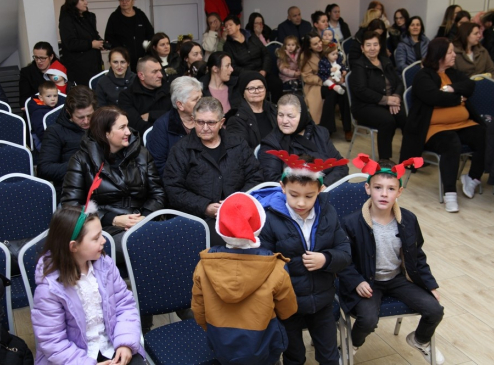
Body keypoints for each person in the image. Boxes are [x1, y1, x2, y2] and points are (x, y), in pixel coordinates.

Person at [338, 155, 445, 365]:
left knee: (435, 310)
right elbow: (343, 261)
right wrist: (356, 281)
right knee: (367, 320)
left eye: (390, 189)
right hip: (367, 282)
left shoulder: (409, 219)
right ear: (368, 189)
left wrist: (429, 285)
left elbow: (418, 255)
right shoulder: (350, 223)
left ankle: (419, 340)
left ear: (399, 192)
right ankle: (352, 344)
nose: (384, 194)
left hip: (397, 279)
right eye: (378, 188)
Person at [251, 150, 351, 365]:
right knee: (294, 356)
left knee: (329, 356)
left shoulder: (328, 212)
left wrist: (326, 259)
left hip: (322, 300)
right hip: (288, 304)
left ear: (320, 190)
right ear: (283, 187)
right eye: (294, 195)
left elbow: (345, 251)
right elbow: (263, 264)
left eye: (309, 196)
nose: (301, 203)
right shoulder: (269, 219)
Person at [191, 192, 298, 365]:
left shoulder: (203, 266)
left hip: (221, 345)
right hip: (265, 344)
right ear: (260, 225)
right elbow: (288, 310)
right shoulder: (276, 267)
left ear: (220, 228)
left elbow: (199, 310)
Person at [32, 205, 145, 365]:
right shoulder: (49, 287)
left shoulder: (105, 265)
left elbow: (124, 306)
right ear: (73, 246)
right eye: (96, 238)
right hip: (73, 358)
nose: (104, 240)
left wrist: (125, 343)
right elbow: (53, 342)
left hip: (111, 343)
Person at [163, 97, 263, 246]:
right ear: (193, 121)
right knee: (223, 242)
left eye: (210, 122)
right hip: (200, 219)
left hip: (240, 213)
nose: (204, 127)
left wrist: (236, 201)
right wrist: (205, 206)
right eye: (200, 122)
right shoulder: (181, 150)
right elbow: (173, 188)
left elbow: (256, 177)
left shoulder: (237, 144)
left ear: (221, 123)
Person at [400, 37, 486, 212]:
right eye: (450, 52)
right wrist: (458, 98)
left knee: (485, 133)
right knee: (450, 141)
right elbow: (433, 97)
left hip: (463, 123)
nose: (454, 55)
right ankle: (450, 193)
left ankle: (472, 178)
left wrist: (450, 89)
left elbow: (469, 86)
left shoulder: (453, 73)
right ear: (439, 56)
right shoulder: (423, 76)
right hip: (433, 129)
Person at [61, 105, 165, 249]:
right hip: (103, 227)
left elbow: (158, 193)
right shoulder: (81, 160)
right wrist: (113, 219)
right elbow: (71, 205)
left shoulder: (141, 154)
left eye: (127, 126)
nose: (128, 132)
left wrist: (144, 218)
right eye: (122, 128)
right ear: (105, 133)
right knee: (142, 244)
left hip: (142, 221)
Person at [259, 94, 348, 187]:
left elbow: (341, 166)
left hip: (328, 188)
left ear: (303, 116)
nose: (284, 121)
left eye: (290, 116)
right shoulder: (271, 143)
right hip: (295, 197)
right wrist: (311, 190)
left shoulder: (320, 133)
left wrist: (324, 185)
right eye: (280, 115)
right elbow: (272, 181)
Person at [349, 31, 406, 161]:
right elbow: (361, 90)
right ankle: (385, 159)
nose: (372, 48)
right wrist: (387, 100)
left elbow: (399, 82)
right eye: (368, 45)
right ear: (362, 48)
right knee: (387, 121)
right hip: (364, 106)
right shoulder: (359, 65)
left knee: (404, 117)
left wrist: (396, 97)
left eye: (375, 44)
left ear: (380, 46)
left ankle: (408, 156)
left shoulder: (385, 61)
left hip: (387, 102)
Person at [38, 85, 96, 202]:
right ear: (69, 112)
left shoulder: (102, 125)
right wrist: (82, 167)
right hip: (73, 193)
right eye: (80, 117)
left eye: (89, 116)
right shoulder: (55, 131)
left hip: (106, 191)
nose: (86, 121)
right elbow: (44, 169)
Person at [147, 76, 203, 177]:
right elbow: (159, 165)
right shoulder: (163, 126)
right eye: (196, 99)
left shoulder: (206, 119)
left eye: (201, 97)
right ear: (180, 105)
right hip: (177, 181)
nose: (202, 103)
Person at [223, 15, 283, 103]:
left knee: (277, 84)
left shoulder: (251, 37)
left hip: (262, 72)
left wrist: (264, 70)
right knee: (253, 90)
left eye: (230, 25)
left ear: (238, 26)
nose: (228, 27)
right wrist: (251, 74)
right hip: (245, 75)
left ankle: (274, 109)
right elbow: (233, 66)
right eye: (226, 26)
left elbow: (265, 54)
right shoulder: (228, 46)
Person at [118, 55, 172, 136]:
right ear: (141, 76)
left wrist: (151, 115)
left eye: (160, 71)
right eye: (154, 71)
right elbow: (136, 126)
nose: (160, 75)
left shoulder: (170, 89)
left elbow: (178, 116)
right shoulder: (126, 96)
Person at [59, 0, 103, 85]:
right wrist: (91, 44)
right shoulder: (66, 20)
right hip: (79, 69)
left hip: (94, 65)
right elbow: (70, 43)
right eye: (82, 0)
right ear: (74, 1)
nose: (86, 3)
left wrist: (100, 43)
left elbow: (93, 35)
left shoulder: (88, 17)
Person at [104, 0, 154, 72]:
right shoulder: (114, 17)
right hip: (123, 61)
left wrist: (147, 48)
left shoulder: (140, 15)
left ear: (133, 1)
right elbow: (109, 38)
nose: (124, 2)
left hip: (142, 59)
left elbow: (150, 33)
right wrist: (122, 51)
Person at [225, 71, 277, 149]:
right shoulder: (236, 119)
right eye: (251, 88)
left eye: (260, 87)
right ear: (243, 93)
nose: (257, 91)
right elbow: (239, 150)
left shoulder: (275, 111)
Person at [317, 43, 351, 138]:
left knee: (344, 94)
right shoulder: (323, 62)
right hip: (321, 83)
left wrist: (343, 74)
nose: (336, 56)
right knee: (332, 94)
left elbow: (342, 67)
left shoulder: (338, 60)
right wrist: (329, 72)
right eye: (333, 54)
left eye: (336, 54)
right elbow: (320, 72)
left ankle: (348, 128)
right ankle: (328, 128)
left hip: (337, 82)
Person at [19, 41, 60, 109]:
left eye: (43, 58)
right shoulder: (27, 72)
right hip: (37, 110)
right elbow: (24, 102)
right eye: (36, 57)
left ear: (51, 56)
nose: (38, 61)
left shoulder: (61, 70)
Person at [27, 81, 66, 151]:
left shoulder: (58, 108)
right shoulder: (37, 112)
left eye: (55, 96)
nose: (53, 99)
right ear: (41, 98)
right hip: (43, 141)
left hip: (57, 138)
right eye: (49, 96)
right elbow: (40, 131)